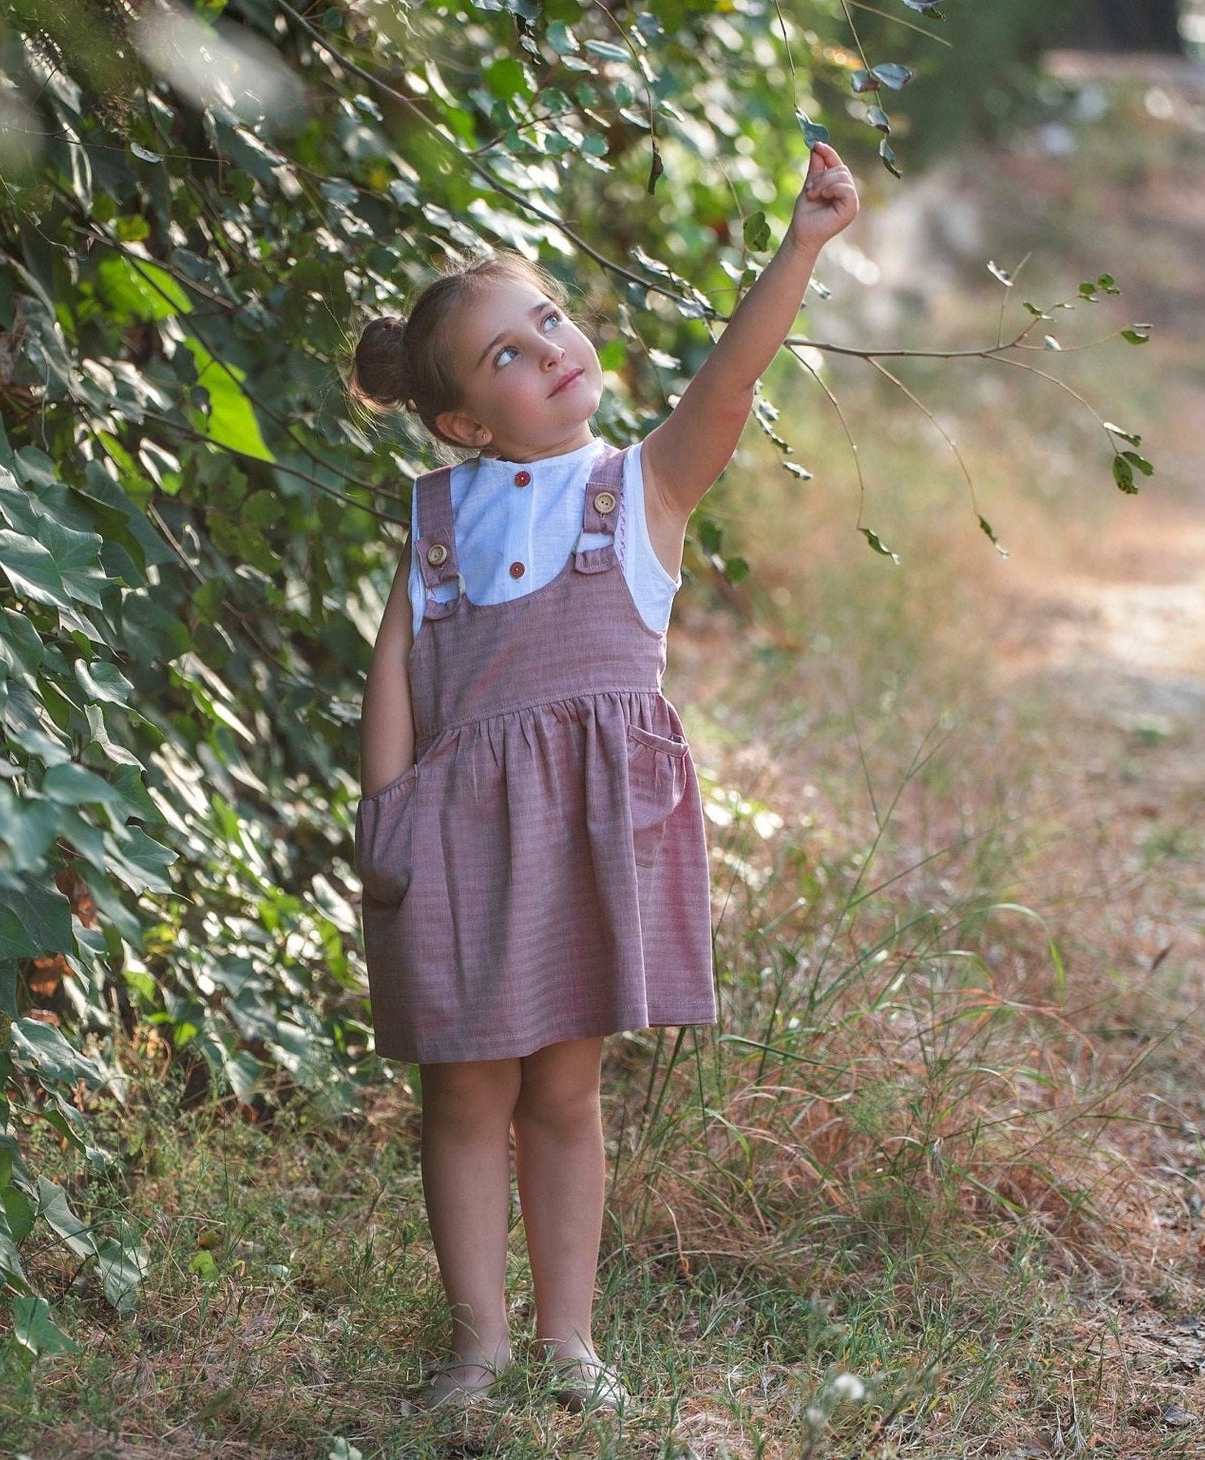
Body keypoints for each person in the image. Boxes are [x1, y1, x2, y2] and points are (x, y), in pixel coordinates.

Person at [349, 142, 859, 1413]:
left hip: (582, 834)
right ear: (464, 421)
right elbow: (396, 664)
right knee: (464, 1091)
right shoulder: (433, 517)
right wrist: (384, 816)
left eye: (549, 318)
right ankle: (478, 1340)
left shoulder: (637, 490)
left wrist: (799, 244)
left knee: (563, 1090)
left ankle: (569, 1339)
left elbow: (731, 386)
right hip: (454, 836)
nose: (548, 347)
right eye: (506, 354)